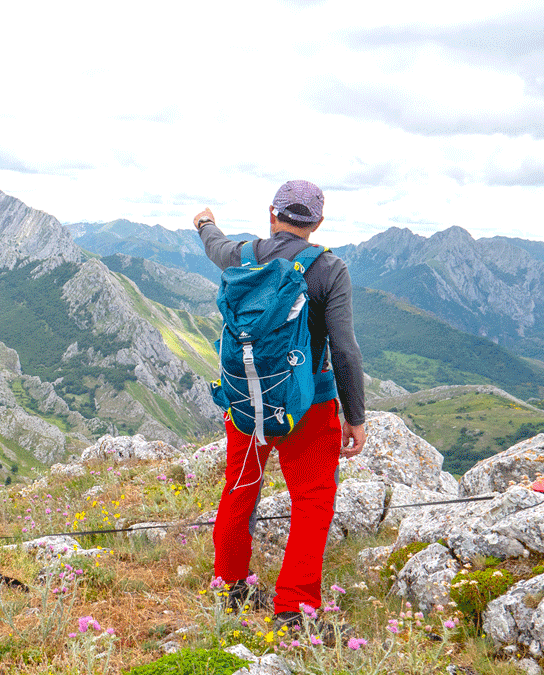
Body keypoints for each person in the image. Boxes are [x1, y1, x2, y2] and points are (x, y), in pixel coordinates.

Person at [193, 179, 366, 635]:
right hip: (308, 405)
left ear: (272, 213)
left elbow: (216, 244)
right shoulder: (329, 268)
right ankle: (294, 609)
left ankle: (230, 586)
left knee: (240, 489)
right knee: (311, 502)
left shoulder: (244, 255)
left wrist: (205, 222)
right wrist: (356, 416)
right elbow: (344, 350)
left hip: (246, 399)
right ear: (318, 222)